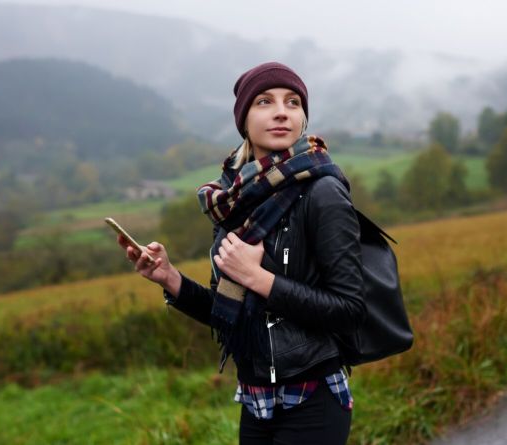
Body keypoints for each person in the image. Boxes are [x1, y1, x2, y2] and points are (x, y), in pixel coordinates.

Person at [117, 61, 365, 444]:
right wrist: (170, 277)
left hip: (313, 399)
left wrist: (259, 279)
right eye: (265, 101)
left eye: (293, 102)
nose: (282, 111)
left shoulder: (323, 191)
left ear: (302, 117)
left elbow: (349, 309)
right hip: (255, 402)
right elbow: (226, 312)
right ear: (244, 119)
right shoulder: (234, 201)